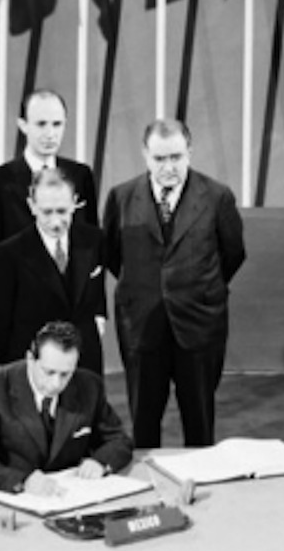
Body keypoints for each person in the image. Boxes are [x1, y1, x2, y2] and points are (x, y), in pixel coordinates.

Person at [103, 119, 246, 448]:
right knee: (143, 423)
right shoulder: (121, 197)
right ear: (145, 155)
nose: (169, 167)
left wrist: (198, 288)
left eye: (176, 157)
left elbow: (233, 254)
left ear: (190, 152)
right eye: (160, 159)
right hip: (141, 326)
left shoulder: (217, 197)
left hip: (198, 327)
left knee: (199, 422)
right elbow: (112, 254)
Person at [0, 321, 133, 495]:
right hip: (14, 496)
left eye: (65, 374)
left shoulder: (89, 385)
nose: (56, 384)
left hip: (70, 494)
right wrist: (22, 480)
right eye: (49, 372)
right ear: (30, 359)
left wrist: (100, 462)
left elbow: (119, 439)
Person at [0, 167, 107, 375]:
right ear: (32, 206)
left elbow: (94, 295)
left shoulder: (94, 241)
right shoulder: (8, 254)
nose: (56, 221)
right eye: (47, 212)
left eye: (62, 211)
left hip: (85, 364)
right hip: (34, 365)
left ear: (75, 202)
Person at [0, 90, 99, 281]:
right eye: (41, 124)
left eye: (57, 124)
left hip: (73, 302)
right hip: (19, 301)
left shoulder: (81, 176)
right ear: (23, 125)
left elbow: (92, 250)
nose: (50, 134)